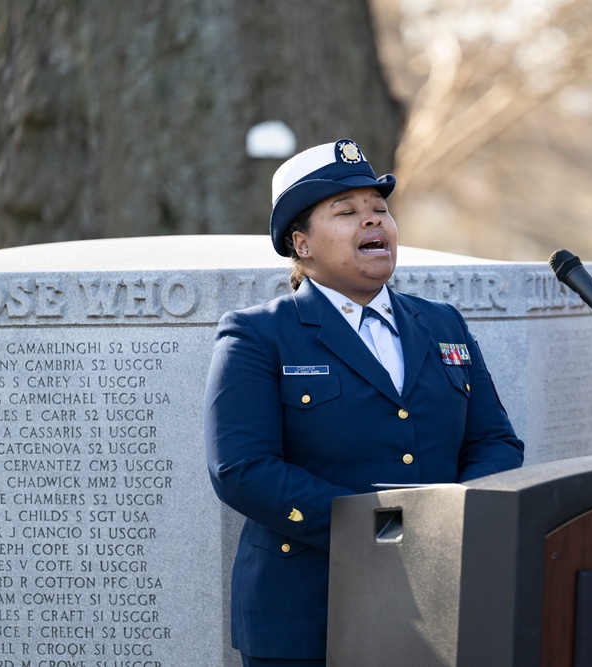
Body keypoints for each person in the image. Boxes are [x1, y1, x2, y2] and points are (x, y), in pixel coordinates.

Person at [204, 138, 525, 666]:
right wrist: (380, 529)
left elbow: (494, 440)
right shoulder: (258, 335)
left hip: (439, 599)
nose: (373, 221)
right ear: (301, 244)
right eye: (347, 211)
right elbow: (241, 468)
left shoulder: (443, 323)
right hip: (309, 613)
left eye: (380, 210)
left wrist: (455, 522)